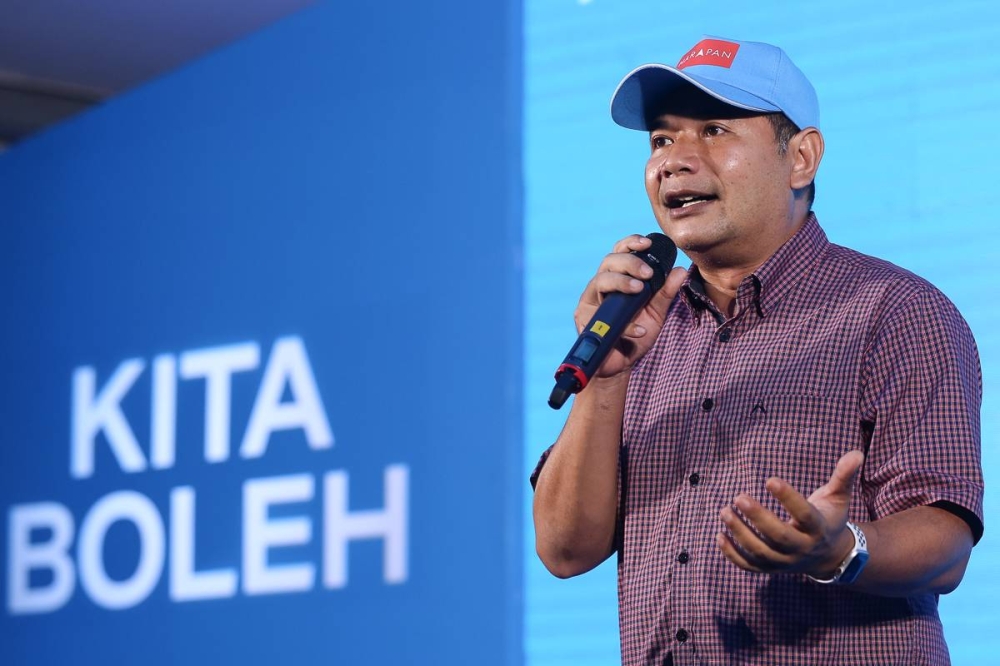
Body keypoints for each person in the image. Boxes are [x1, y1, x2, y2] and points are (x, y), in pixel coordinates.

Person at [531, 36, 984, 665]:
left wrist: (839, 550)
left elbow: (946, 544)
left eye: (714, 129)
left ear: (801, 157)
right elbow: (564, 549)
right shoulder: (640, 326)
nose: (674, 162)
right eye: (661, 140)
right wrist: (606, 381)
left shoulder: (895, 311)